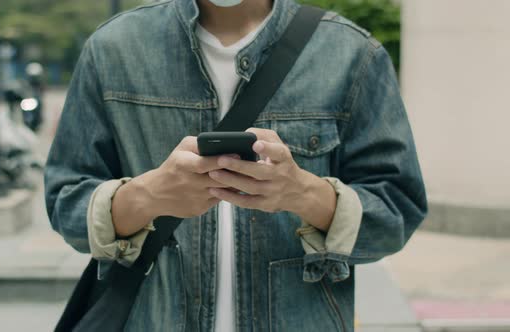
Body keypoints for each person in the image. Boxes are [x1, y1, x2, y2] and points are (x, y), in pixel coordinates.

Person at [44, 0, 428, 330]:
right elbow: (66, 205)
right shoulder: (114, 49)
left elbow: (396, 213)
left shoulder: (351, 54)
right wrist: (148, 196)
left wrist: (304, 193)